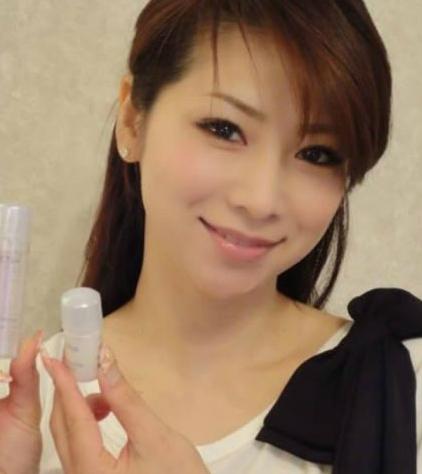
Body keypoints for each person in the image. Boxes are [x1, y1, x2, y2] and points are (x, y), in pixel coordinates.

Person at [0, 1, 421, 473]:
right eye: (224, 129)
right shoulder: (26, 406)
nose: (261, 200)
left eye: (317, 154)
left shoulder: (404, 386)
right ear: (133, 120)